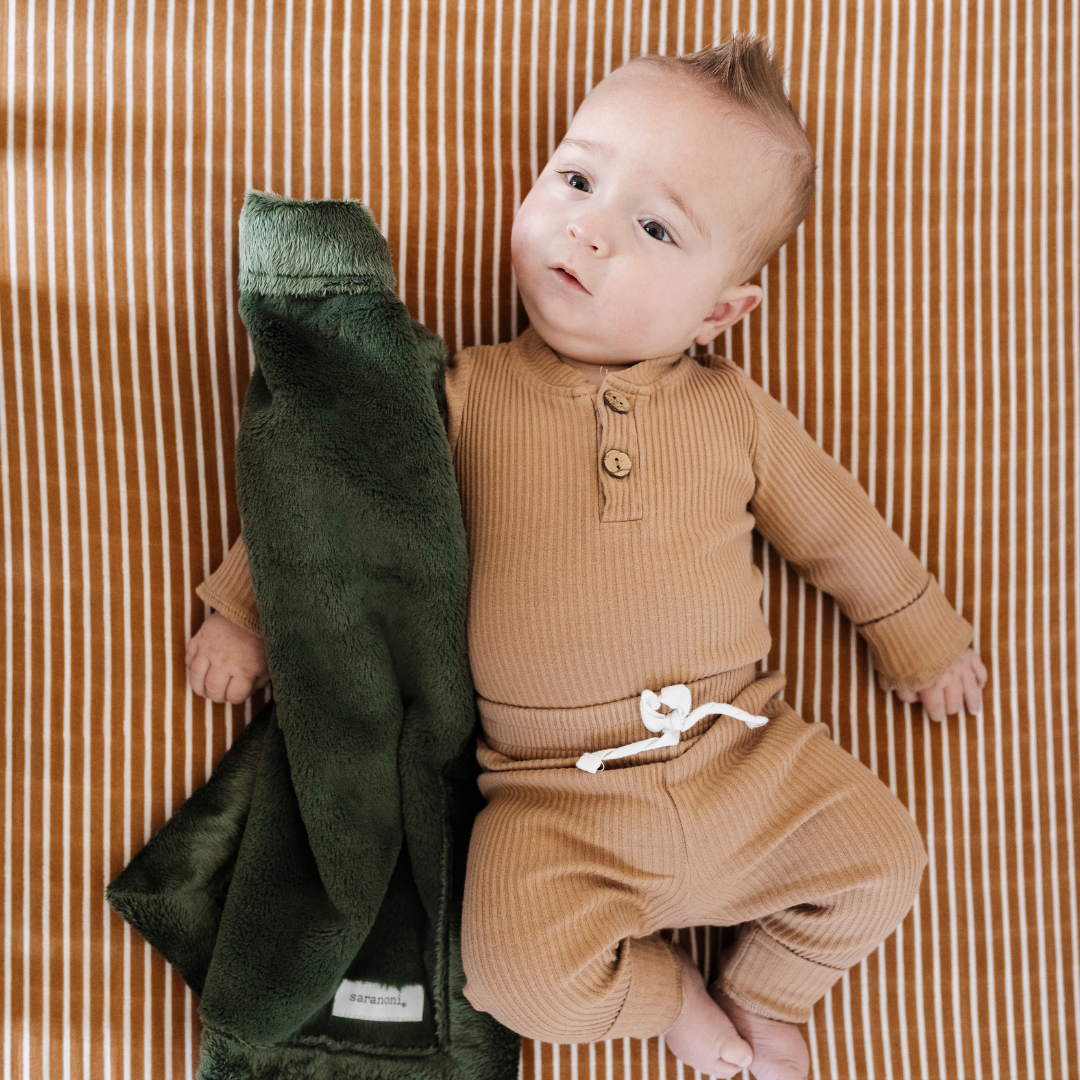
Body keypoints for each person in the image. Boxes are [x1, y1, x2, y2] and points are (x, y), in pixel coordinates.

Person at [186, 36, 987, 1080]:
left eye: (654, 227)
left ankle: (767, 991)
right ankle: (674, 999)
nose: (590, 228)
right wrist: (247, 608)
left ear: (721, 311)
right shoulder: (459, 394)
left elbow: (839, 531)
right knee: (510, 977)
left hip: (745, 754)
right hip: (553, 798)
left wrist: (922, 635)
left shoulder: (733, 412)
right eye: (575, 179)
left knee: (885, 861)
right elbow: (343, 495)